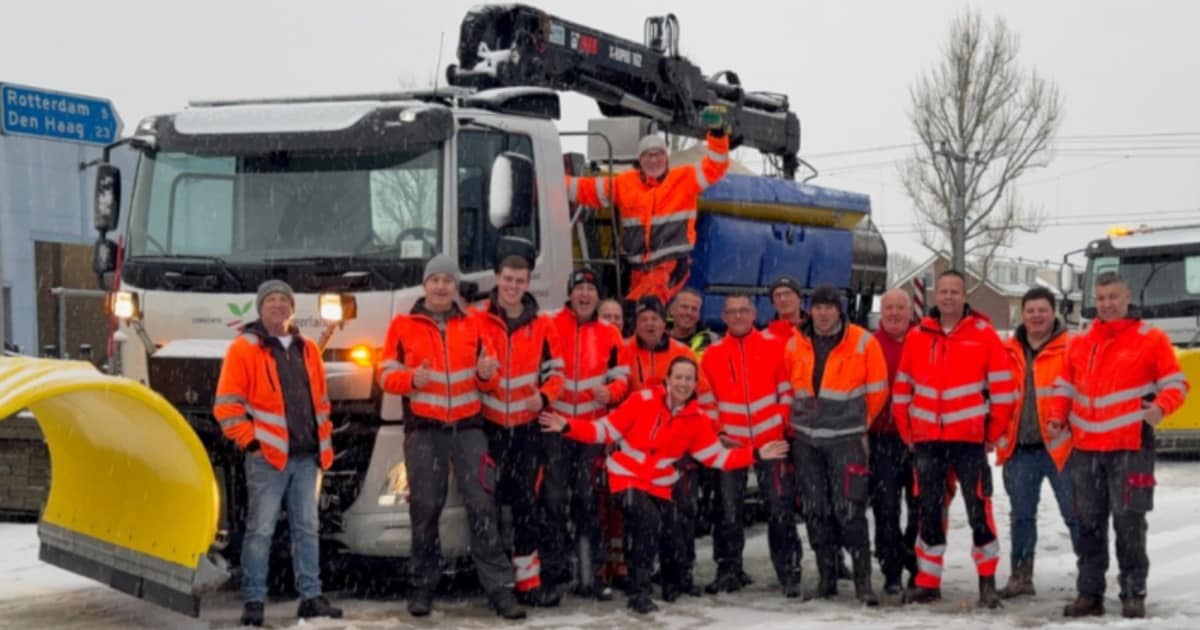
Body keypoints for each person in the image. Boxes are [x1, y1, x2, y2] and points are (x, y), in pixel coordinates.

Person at [538, 356, 789, 614]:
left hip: (659, 483)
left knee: (676, 526)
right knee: (647, 521)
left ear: (695, 384)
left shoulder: (697, 418)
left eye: (689, 379)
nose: (683, 383)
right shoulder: (641, 401)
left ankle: (674, 582)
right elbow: (604, 430)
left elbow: (717, 457)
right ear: (668, 379)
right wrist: (568, 426)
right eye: (678, 377)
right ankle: (639, 590)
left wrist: (756, 453)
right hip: (625, 476)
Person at [378, 255, 525, 620]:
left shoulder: (474, 324)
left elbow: (488, 376)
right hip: (425, 432)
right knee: (425, 508)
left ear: (456, 286)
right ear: (425, 285)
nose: (441, 286)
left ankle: (500, 589)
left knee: (482, 507)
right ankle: (422, 587)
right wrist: (412, 379)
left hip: (469, 430)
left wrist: (487, 374)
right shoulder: (403, 325)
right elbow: (384, 375)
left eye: (448, 280)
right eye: (435, 280)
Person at [1052, 271, 1190, 619]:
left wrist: (1162, 407)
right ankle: (1089, 594)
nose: (1107, 304)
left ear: (1127, 299)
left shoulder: (1151, 339)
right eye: (1100, 298)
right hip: (1085, 450)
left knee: (1129, 523)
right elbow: (1065, 386)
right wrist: (1057, 417)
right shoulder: (1081, 341)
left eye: (1113, 297)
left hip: (1131, 447)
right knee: (1088, 525)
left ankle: (1133, 593)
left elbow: (1177, 383)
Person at [214, 280, 342, 627]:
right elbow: (226, 406)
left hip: (307, 456)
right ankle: (254, 600)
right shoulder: (244, 348)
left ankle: (310, 597)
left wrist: (322, 443)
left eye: (284, 300)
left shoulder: (307, 349)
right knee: (260, 530)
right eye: (271, 300)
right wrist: (251, 442)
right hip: (267, 458)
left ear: (292, 309)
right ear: (260, 307)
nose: (278, 306)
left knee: (307, 529)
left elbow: (321, 401)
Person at [892, 269, 1016, 608]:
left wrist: (990, 434)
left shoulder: (984, 334)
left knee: (980, 511)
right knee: (928, 511)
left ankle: (987, 584)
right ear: (936, 296)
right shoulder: (918, 337)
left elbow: (1005, 391)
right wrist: (909, 434)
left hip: (969, 442)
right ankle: (928, 582)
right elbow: (902, 390)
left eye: (954, 291)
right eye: (943, 291)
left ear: (964, 295)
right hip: (927, 441)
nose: (948, 297)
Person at [471, 236, 567, 606]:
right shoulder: (477, 320)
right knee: (488, 507)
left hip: (527, 430)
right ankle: (496, 583)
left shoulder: (543, 325)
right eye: (508, 279)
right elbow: (469, 374)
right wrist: (482, 375)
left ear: (528, 283)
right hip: (489, 428)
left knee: (528, 505)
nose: (513, 287)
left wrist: (543, 397)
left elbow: (557, 373)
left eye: (520, 280)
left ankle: (528, 583)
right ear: (497, 278)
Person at [783, 284, 888, 605]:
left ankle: (862, 582)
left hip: (847, 442)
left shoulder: (863, 341)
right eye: (818, 307)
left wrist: (856, 423)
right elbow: (788, 387)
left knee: (850, 510)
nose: (823, 313)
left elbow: (878, 390)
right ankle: (827, 577)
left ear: (839, 310)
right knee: (815, 511)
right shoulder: (795, 343)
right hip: (806, 443)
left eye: (829, 307)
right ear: (809, 310)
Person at [565, 106, 731, 304]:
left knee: (640, 308)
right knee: (638, 313)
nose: (653, 160)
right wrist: (545, 179)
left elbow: (716, 165)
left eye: (658, 154)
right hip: (637, 269)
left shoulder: (684, 178)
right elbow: (585, 189)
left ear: (666, 157)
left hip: (669, 265)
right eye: (648, 155)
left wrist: (717, 133)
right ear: (639, 160)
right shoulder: (624, 183)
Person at [701, 294, 801, 597]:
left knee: (779, 508)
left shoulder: (774, 347)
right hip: (732, 444)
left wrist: (781, 426)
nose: (739, 316)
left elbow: (787, 391)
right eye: (732, 312)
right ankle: (729, 569)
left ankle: (789, 572)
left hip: (771, 442)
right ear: (724, 317)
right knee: (728, 510)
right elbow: (707, 401)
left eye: (744, 310)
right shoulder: (712, 354)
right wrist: (719, 434)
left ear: (754, 313)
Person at [618, 295, 716, 599]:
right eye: (645, 318)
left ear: (665, 323)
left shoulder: (682, 354)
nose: (650, 324)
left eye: (656, 319)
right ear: (636, 322)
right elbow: (617, 399)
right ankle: (641, 584)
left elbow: (705, 398)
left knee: (682, 514)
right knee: (643, 521)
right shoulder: (621, 352)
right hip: (636, 456)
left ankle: (679, 577)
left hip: (677, 453)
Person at [547, 267, 630, 601]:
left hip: (591, 433)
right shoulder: (549, 324)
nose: (584, 295)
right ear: (569, 294)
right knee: (552, 503)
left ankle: (589, 576)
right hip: (555, 429)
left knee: (587, 502)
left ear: (598, 297)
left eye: (590, 291)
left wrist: (611, 393)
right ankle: (553, 575)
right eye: (578, 289)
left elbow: (621, 379)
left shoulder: (610, 334)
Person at [995, 287, 1080, 599]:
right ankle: (1020, 576)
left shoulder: (1072, 347)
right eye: (1030, 311)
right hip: (1020, 448)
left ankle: (1090, 577)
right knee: (1021, 515)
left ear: (1053, 312)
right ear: (1023, 313)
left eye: (1042, 310)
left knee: (1075, 513)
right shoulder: (1008, 350)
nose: (1036, 316)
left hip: (1061, 448)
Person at [868, 288, 919, 598]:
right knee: (886, 508)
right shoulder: (870, 344)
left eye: (901, 307)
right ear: (881, 312)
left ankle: (914, 562)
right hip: (882, 439)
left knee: (921, 508)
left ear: (911, 311)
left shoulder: (924, 339)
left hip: (919, 439)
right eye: (889, 308)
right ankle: (890, 569)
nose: (895, 313)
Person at [668, 288, 721, 358]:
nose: (689, 313)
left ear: (699, 315)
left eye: (694, 309)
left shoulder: (712, 342)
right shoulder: (657, 339)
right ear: (672, 310)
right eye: (684, 307)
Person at [763, 275, 809, 341]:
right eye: (777, 295)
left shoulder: (817, 330)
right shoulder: (763, 336)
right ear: (773, 303)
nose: (783, 299)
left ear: (799, 298)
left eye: (788, 293)